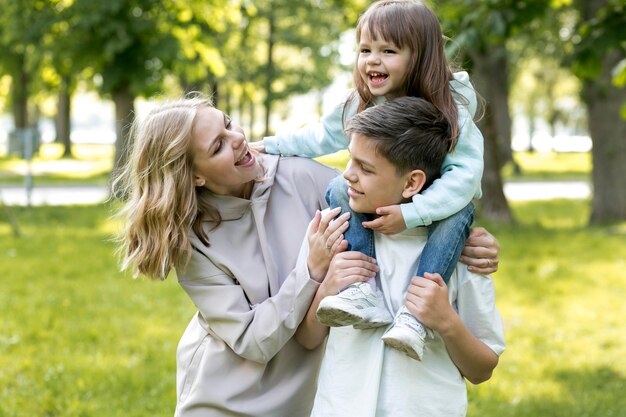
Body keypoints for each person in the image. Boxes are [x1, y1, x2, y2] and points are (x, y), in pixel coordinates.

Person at [114, 97, 500, 416]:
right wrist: (312, 274)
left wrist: (463, 233)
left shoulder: (302, 178)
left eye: (229, 123)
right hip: (227, 398)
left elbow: (382, 188)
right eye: (217, 145)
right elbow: (251, 340)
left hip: (314, 398)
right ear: (194, 175)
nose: (237, 139)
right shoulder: (192, 242)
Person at [254, 0, 489, 358]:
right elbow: (319, 136)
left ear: (421, 56)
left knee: (457, 215)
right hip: (385, 197)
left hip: (438, 203)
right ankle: (362, 291)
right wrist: (269, 145)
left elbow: (465, 178)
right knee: (337, 187)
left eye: (388, 50)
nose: (372, 60)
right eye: (365, 49)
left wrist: (413, 214)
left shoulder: (450, 103)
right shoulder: (364, 101)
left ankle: (415, 315)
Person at [297, 96, 505, 416]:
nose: (348, 176)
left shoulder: (459, 254)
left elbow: (482, 369)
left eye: (365, 168)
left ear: (412, 183)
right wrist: (327, 288)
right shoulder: (332, 234)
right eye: (350, 160)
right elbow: (307, 339)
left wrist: (446, 321)